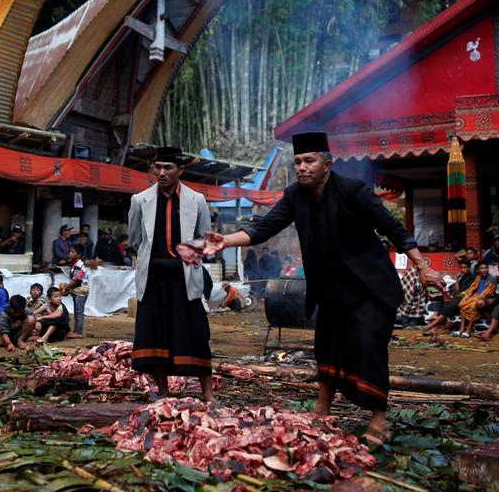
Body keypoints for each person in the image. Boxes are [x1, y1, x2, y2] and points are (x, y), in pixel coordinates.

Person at [191, 132, 445, 445]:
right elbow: (263, 228)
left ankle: (379, 419)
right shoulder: (295, 196)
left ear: (327, 164)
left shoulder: (353, 191)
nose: (301, 167)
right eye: (297, 161)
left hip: (370, 287)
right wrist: (226, 240)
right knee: (327, 346)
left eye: (309, 160)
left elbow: (393, 228)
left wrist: (421, 266)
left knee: (369, 348)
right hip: (331, 288)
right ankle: (322, 409)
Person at [128, 146, 215, 403]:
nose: (162, 172)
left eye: (168, 168)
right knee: (155, 334)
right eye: (158, 167)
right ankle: (163, 393)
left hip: (184, 278)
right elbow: (135, 240)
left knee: (197, 333)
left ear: (181, 170)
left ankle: (208, 394)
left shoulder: (196, 200)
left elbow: (204, 239)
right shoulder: (139, 200)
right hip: (153, 279)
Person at [423, 259, 475, 333]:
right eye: (462, 268)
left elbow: (458, 291)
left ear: (469, 268)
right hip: (456, 298)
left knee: (447, 307)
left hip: (463, 299)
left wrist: (457, 279)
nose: (463, 269)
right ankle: (434, 328)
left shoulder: (472, 277)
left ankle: (431, 326)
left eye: (465, 267)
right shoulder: (463, 277)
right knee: (443, 300)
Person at [454, 262, 497, 338]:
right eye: (482, 268)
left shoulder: (492, 279)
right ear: (478, 270)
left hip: (486, 298)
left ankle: (468, 330)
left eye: (486, 268)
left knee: (472, 305)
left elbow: (488, 292)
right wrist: (465, 294)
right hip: (476, 296)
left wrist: (474, 297)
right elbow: (472, 288)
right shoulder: (478, 277)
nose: (484, 270)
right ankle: (462, 328)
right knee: (462, 303)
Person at [60, 245, 88, 339]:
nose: (70, 253)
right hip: (78, 290)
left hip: (80, 291)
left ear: (78, 255)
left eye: (72, 252)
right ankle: (77, 330)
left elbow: (76, 280)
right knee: (77, 311)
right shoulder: (75, 263)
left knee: (78, 311)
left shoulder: (78, 265)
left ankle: (78, 332)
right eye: (70, 252)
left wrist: (65, 287)